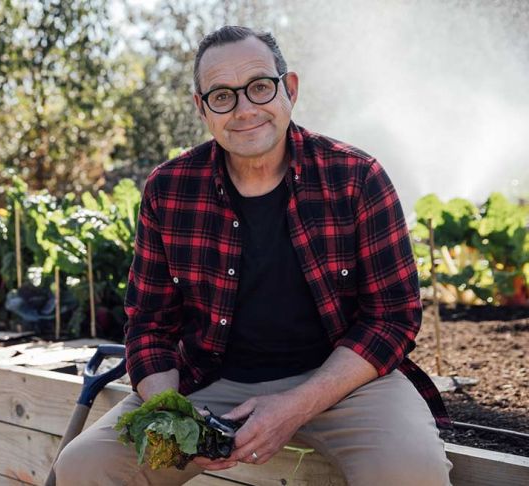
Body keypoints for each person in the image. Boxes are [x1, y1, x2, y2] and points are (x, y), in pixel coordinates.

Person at [54, 25, 452, 485]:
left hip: (345, 382)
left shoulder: (356, 176)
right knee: (85, 467)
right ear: (202, 108)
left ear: (291, 89)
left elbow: (393, 318)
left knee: (411, 473)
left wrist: (297, 404)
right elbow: (149, 325)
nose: (245, 110)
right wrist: (176, 415)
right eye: (222, 96)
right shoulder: (169, 189)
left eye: (260, 87)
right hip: (207, 383)